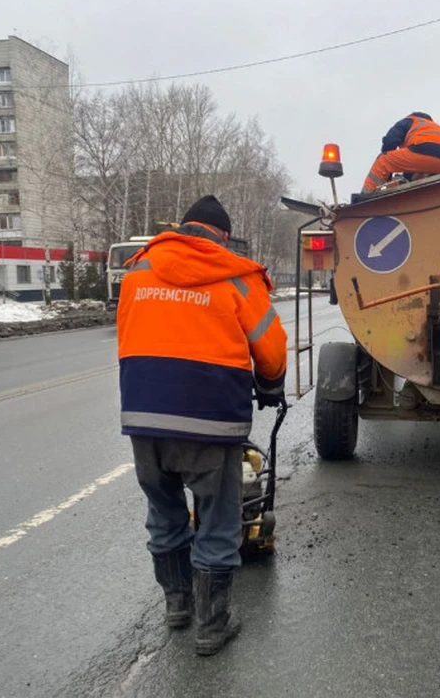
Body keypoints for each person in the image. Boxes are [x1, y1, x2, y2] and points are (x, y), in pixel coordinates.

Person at [116, 195, 287, 656]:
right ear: (223, 237)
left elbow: (131, 333)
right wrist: (270, 387)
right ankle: (211, 627)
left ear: (182, 228)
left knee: (164, 512)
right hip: (210, 420)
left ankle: (177, 606)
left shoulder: (138, 271)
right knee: (216, 520)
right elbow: (270, 349)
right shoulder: (237, 277)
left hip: (144, 416)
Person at [362, 112, 440, 193]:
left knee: (383, 160)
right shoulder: (435, 127)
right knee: (413, 179)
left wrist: (387, 175)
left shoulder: (410, 121)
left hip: (425, 150)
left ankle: (366, 195)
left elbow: (390, 141)